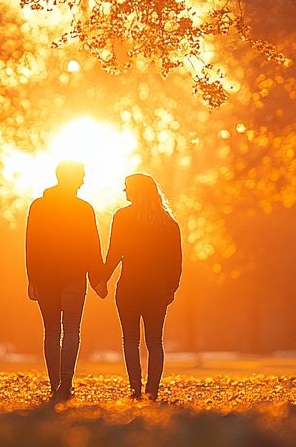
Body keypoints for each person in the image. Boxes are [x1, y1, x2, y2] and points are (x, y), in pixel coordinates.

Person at [25, 160, 107, 402]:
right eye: (81, 176)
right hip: (73, 277)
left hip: (45, 276)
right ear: (70, 178)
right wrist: (98, 278)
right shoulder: (83, 209)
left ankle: (55, 385)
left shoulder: (39, 206)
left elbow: (31, 244)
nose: (83, 180)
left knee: (51, 331)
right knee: (71, 329)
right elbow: (92, 246)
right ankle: (66, 384)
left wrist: (32, 278)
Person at [99, 173, 182, 399]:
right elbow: (176, 262)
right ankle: (152, 391)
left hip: (129, 288)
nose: (124, 192)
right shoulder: (168, 223)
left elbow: (115, 252)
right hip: (156, 291)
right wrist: (170, 289)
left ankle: (135, 390)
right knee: (155, 341)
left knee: (131, 340)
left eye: (127, 188)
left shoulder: (123, 217)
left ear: (136, 191)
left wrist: (101, 278)